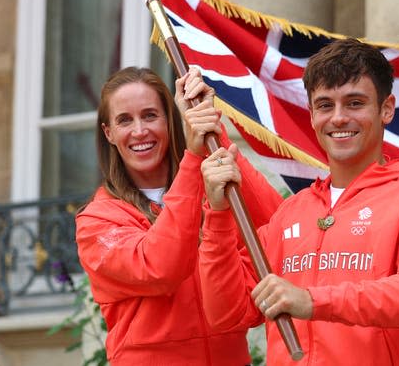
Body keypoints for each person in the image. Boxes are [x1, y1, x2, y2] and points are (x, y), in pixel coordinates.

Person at [198, 38, 399, 365]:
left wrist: (312, 301)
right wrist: (218, 215)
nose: (338, 118)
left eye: (354, 103)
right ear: (311, 115)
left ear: (386, 108)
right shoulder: (291, 213)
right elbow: (227, 313)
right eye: (325, 105)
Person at [75, 66, 283, 365]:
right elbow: (159, 267)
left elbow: (279, 229)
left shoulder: (209, 191)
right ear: (108, 133)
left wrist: (213, 134)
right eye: (124, 120)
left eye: (150, 115)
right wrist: (194, 159)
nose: (139, 131)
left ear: (170, 121)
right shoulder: (97, 220)